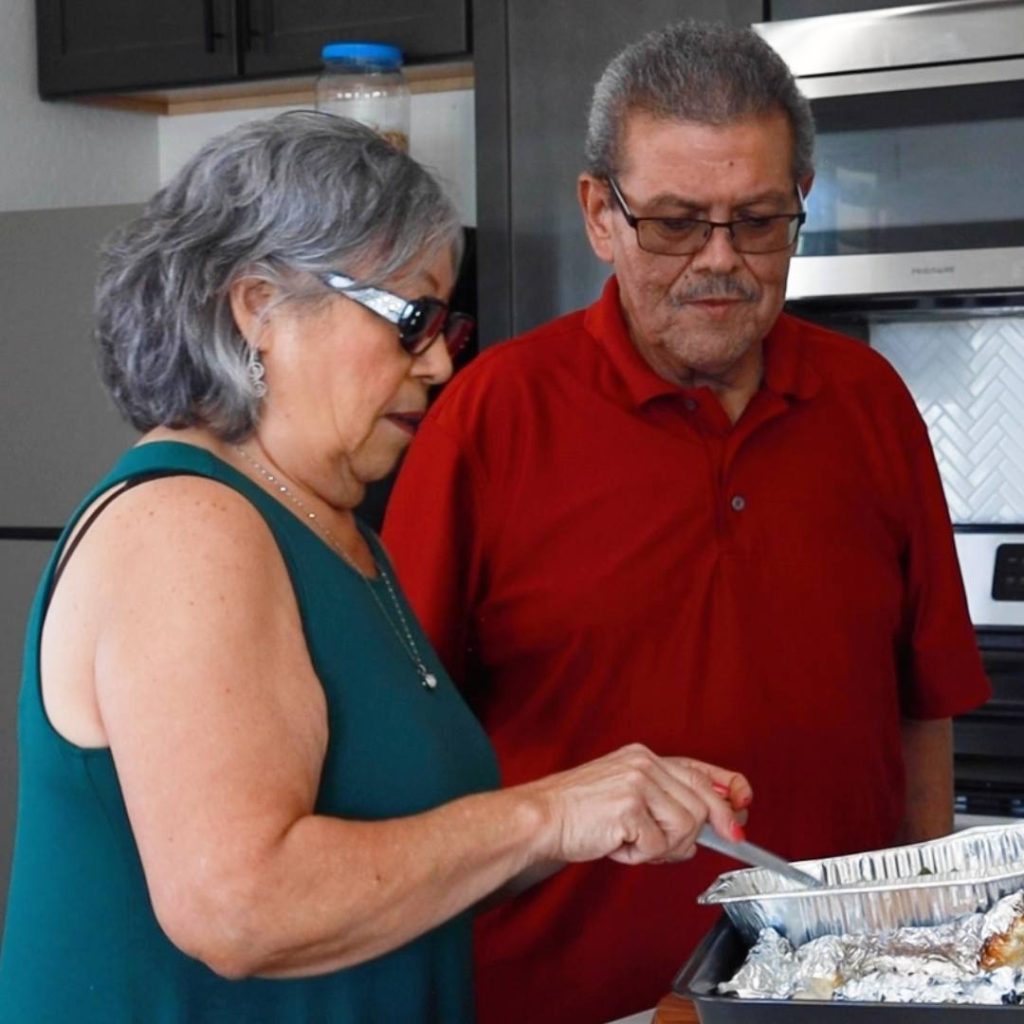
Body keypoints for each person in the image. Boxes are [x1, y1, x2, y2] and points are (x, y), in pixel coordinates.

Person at [0, 111, 752, 1023]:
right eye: (410, 320)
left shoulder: (329, 527)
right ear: (260, 308)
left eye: (446, 324)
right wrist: (548, 814)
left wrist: (607, 803)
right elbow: (241, 907)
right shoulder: (186, 523)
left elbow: (402, 868)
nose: (437, 362)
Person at [381, 20, 992, 1024]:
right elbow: (404, 750)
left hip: (829, 998)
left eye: (756, 220)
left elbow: (921, 709)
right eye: (674, 222)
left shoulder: (870, 402)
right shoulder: (489, 417)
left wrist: (916, 962)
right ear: (598, 214)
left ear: (800, 203)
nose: (719, 261)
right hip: (556, 1003)